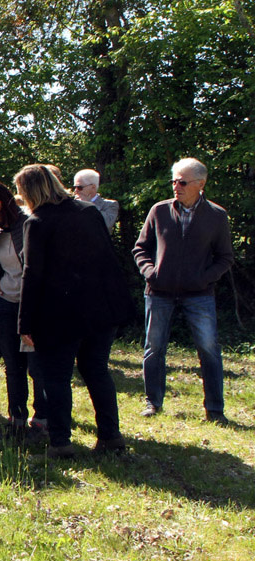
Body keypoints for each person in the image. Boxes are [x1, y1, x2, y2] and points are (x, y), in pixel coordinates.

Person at [16, 163, 133, 458]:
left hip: (59, 314)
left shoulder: (39, 222)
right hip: (99, 309)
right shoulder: (88, 212)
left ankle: (60, 442)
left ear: (30, 192)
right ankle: (111, 435)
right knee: (96, 371)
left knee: (56, 377)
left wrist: (25, 322)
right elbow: (108, 259)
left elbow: (32, 274)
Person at [133, 157, 234, 424]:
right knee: (154, 349)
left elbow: (225, 257)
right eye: (174, 181)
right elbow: (140, 248)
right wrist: (151, 273)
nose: (176, 186)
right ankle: (153, 403)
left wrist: (204, 279)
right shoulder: (159, 210)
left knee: (209, 350)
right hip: (159, 291)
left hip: (199, 294)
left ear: (201, 184)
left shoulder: (216, 216)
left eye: (183, 182)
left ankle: (215, 409)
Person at [0, 180, 47, 435]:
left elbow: (39, 267)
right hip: (6, 303)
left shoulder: (28, 225)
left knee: (36, 366)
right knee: (12, 365)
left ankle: (42, 419)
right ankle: (16, 418)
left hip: (32, 306)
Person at [72, 169, 119, 233]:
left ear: (93, 187)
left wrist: (87, 205)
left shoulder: (110, 205)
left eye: (79, 187)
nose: (75, 191)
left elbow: (106, 224)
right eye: (75, 187)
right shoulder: (72, 205)